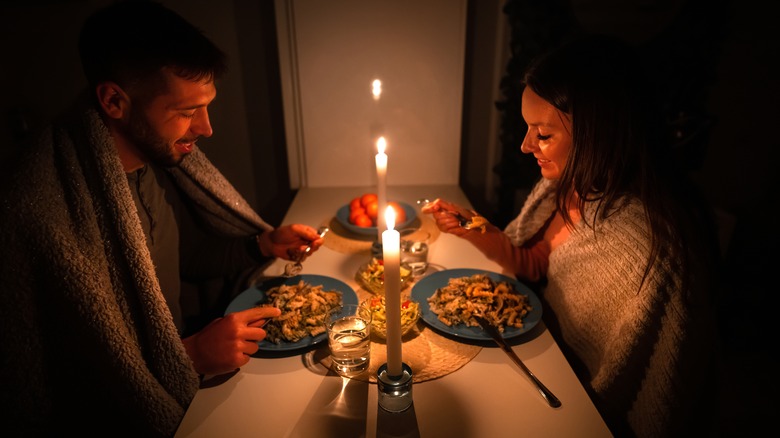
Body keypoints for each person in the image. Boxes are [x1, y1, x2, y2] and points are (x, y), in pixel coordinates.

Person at [0, 1, 324, 436]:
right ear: (114, 100)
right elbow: (55, 391)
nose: (206, 128)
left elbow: (183, 261)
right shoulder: (38, 212)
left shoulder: (143, 168)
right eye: (187, 111)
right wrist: (188, 357)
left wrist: (261, 246)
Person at [423, 34, 721, 437]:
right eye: (528, 129)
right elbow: (534, 265)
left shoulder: (649, 246)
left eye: (543, 134)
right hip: (535, 356)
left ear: (598, 134)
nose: (528, 146)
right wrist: (477, 231)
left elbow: (643, 394)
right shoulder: (571, 182)